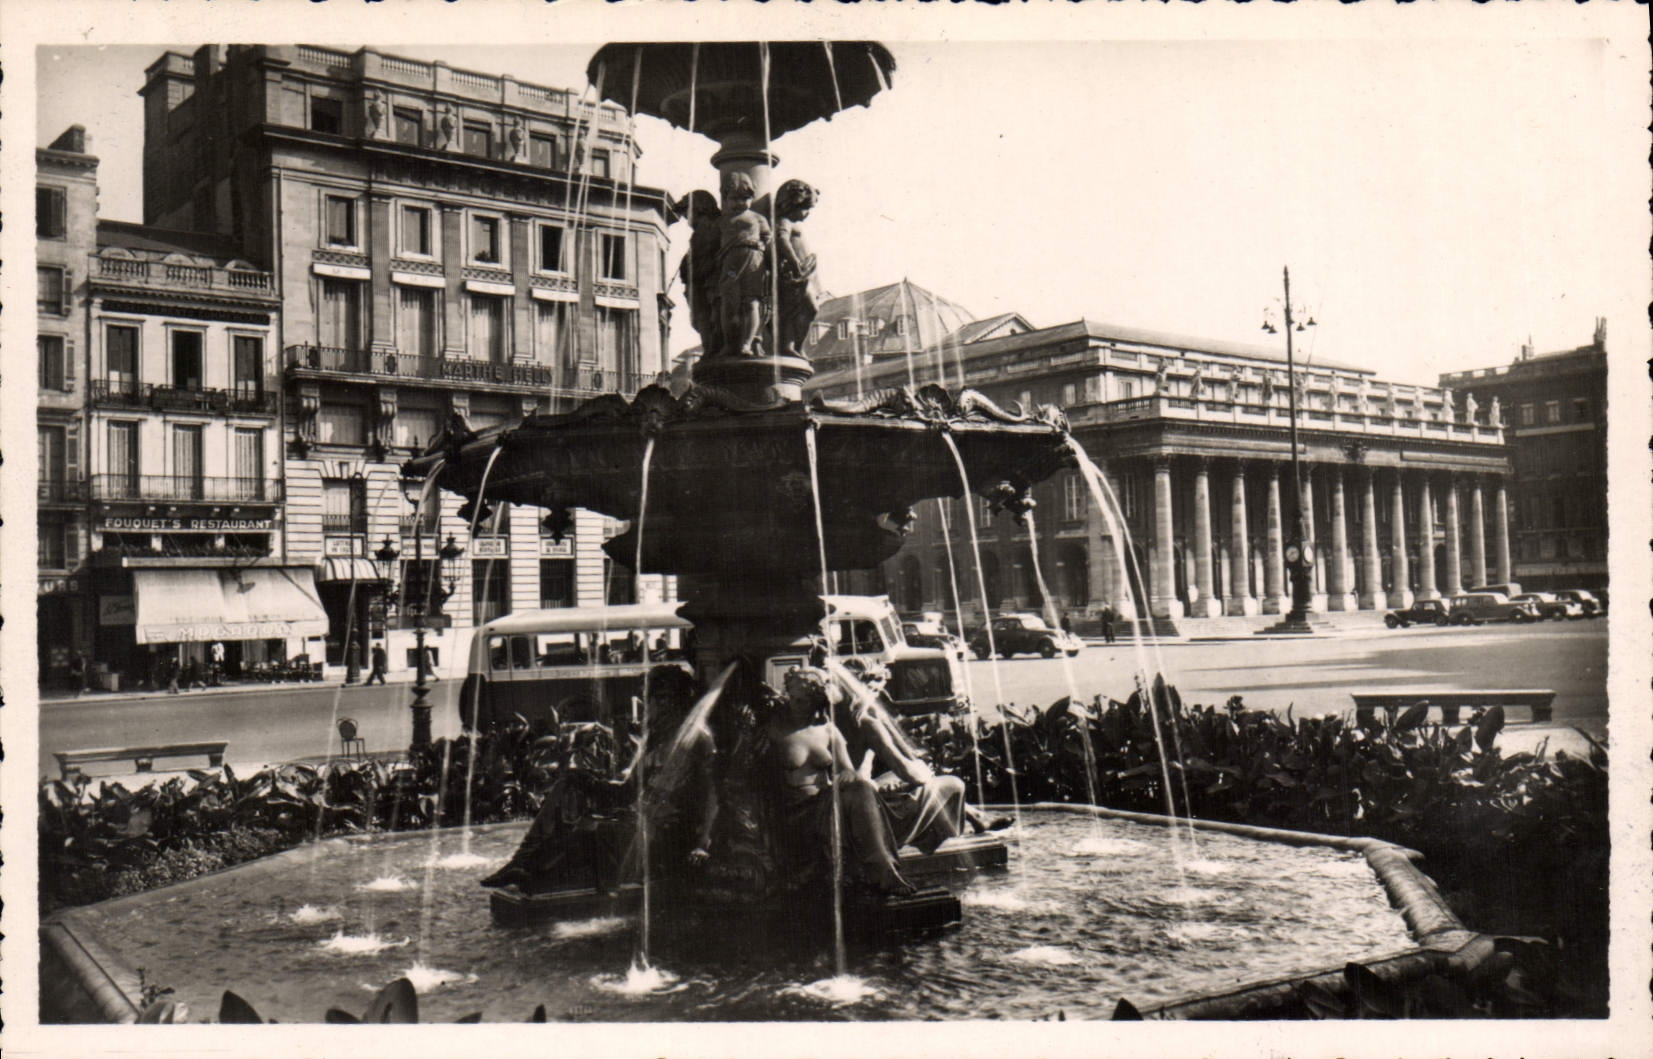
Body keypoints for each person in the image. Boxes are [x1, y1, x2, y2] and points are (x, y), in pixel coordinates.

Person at [481, 665, 717, 893]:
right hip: (640, 815)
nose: (649, 706)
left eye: (655, 699)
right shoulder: (656, 738)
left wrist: (702, 842)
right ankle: (524, 862)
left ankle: (534, 870)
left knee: (592, 827)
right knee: (572, 782)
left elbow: (713, 793)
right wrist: (591, 782)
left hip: (666, 832)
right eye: (651, 698)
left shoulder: (696, 739)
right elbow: (630, 788)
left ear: (669, 701)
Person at [768, 666, 912, 896]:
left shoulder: (828, 730)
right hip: (795, 810)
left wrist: (847, 775)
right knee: (861, 793)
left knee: (862, 787)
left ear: (816, 701)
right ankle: (882, 870)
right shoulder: (774, 728)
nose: (795, 704)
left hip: (823, 802)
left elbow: (848, 770)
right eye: (792, 698)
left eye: (803, 700)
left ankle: (885, 870)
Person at [715, 170, 771, 359]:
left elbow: (767, 237)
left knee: (751, 302)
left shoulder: (757, 218)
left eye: (744, 198)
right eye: (734, 198)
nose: (740, 203)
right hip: (730, 261)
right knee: (729, 304)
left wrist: (762, 245)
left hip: (753, 260)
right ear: (726, 198)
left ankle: (747, 343)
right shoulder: (723, 220)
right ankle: (730, 344)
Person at [773, 178, 821, 359]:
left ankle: (796, 346)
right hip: (795, 274)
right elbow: (782, 240)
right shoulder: (784, 221)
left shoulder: (793, 223)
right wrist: (794, 263)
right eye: (805, 208)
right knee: (798, 308)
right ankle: (789, 345)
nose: (806, 213)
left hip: (804, 273)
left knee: (805, 309)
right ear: (791, 204)